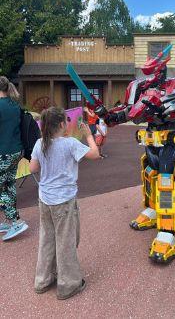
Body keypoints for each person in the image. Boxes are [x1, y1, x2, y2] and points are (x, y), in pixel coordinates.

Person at [29, 107, 101, 300]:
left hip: (45, 200)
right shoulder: (70, 144)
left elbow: (32, 168)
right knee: (66, 241)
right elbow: (95, 154)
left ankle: (43, 280)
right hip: (64, 201)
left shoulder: (39, 143)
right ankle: (68, 285)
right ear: (62, 124)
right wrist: (88, 136)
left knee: (47, 239)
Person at [0, 76, 28, 241]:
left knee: (2, 189)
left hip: (2, 152)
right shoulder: (14, 105)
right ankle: (10, 220)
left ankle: (16, 221)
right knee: (9, 185)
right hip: (16, 151)